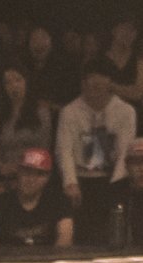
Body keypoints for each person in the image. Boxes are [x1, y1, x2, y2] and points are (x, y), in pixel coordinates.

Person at [55, 66, 136, 232]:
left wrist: (116, 186)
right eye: (90, 81)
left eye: (100, 82)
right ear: (83, 83)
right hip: (81, 179)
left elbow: (125, 151)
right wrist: (70, 182)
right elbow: (64, 150)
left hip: (111, 178)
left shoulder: (125, 111)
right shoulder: (70, 111)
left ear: (110, 83)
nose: (95, 86)